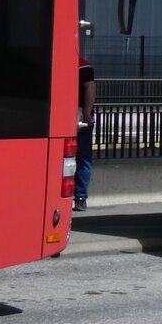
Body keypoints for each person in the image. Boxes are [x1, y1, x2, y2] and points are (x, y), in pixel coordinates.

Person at [74, 56, 96, 211]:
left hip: (77, 115)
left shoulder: (81, 65)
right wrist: (87, 115)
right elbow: (90, 87)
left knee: (81, 158)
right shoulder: (84, 65)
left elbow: (90, 87)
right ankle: (80, 197)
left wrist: (86, 114)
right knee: (83, 158)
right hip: (81, 116)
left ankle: (80, 196)